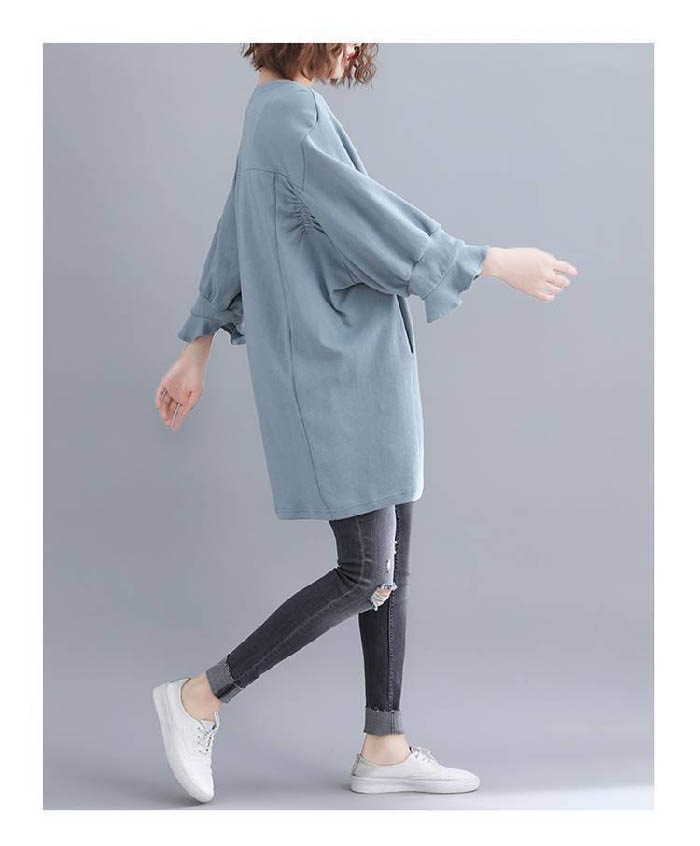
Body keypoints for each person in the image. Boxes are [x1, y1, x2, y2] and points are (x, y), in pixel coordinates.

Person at [152, 43, 578, 803]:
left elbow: (234, 226)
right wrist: (486, 260)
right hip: (336, 369)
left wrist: (199, 344)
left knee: (390, 570)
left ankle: (384, 745)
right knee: (366, 574)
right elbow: (364, 218)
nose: (354, 46)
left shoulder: (272, 111)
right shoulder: (288, 114)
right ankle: (200, 696)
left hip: (363, 365)